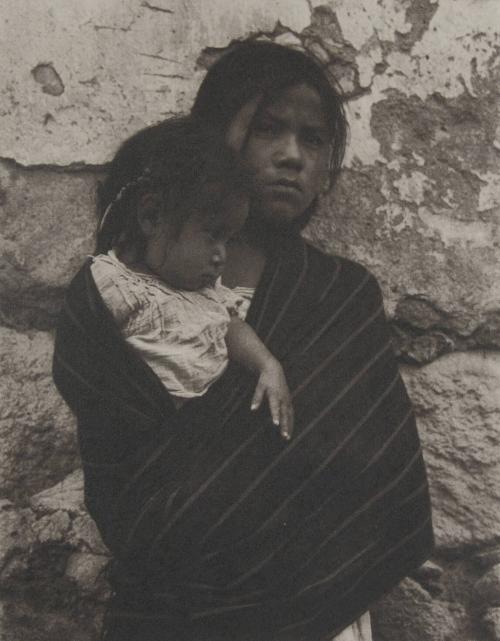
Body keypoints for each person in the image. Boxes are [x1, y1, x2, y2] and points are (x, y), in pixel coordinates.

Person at [53, 40, 434, 641]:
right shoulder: (120, 293)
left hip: (313, 613)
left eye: (312, 141)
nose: (291, 156)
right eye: (268, 129)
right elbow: (123, 472)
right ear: (211, 136)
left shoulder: (339, 298)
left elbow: (367, 478)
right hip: (166, 611)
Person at [90, 116, 293, 437]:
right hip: (148, 440)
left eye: (229, 240)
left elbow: (229, 326)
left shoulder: (204, 291)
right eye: (213, 235)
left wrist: (268, 365)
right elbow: (92, 358)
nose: (222, 255)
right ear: (151, 216)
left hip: (208, 436)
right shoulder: (115, 284)